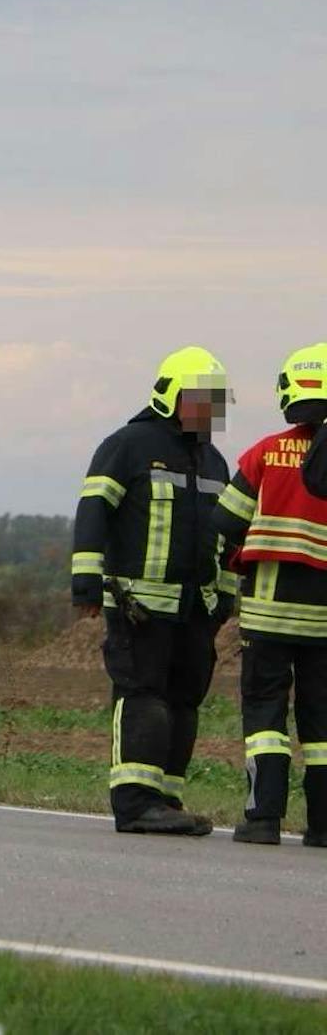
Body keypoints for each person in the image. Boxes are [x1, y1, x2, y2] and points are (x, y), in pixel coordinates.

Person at [71, 346, 237, 835]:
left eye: (215, 402)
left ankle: (166, 799)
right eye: (199, 399)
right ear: (169, 396)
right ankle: (135, 803)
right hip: (138, 605)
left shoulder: (215, 461)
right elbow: (94, 508)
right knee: (144, 694)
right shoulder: (126, 445)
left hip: (196, 610)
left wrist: (224, 597)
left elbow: (228, 536)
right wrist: (85, 578)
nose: (208, 411)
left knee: (185, 700)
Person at [212, 343, 327, 847]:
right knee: (322, 729)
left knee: (265, 718)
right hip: (324, 622)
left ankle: (263, 820)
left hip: (267, 617)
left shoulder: (263, 453)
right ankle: (323, 827)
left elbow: (223, 523)